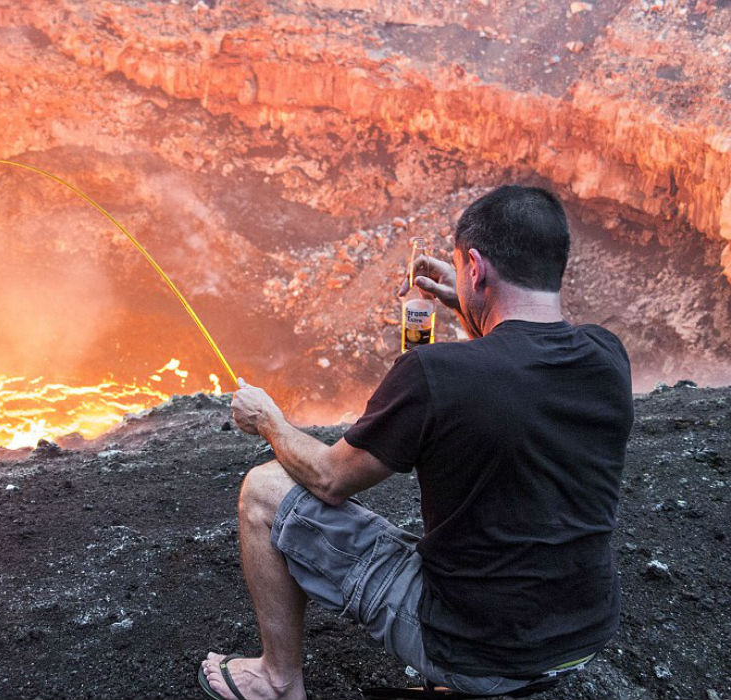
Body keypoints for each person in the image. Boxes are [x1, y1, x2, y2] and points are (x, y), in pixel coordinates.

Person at [198, 185, 634, 700]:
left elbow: (331, 479)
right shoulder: (608, 356)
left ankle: (276, 679)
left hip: (476, 649)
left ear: (475, 267)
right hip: (581, 635)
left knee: (265, 489)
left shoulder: (434, 374)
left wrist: (269, 421)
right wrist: (468, 303)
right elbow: (519, 367)